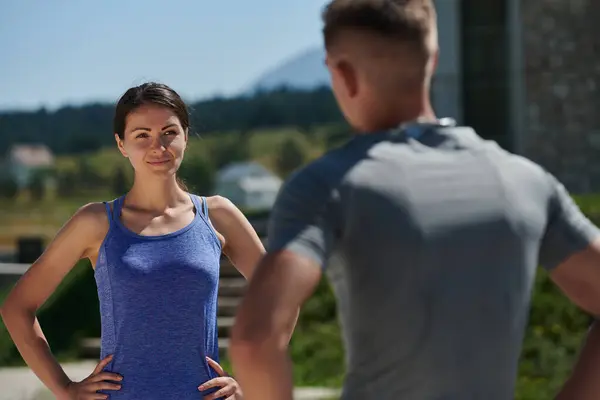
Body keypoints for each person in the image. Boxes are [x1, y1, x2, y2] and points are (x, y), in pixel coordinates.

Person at [229, 1, 600, 399]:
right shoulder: (526, 180)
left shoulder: (329, 183)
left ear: (343, 74)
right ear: (433, 61)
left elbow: (255, 340)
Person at [0, 82, 265, 399]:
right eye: (142, 135)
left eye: (169, 132)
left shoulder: (218, 216)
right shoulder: (96, 223)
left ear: (185, 136)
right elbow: (17, 308)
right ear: (121, 144)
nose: (159, 146)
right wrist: (65, 388)